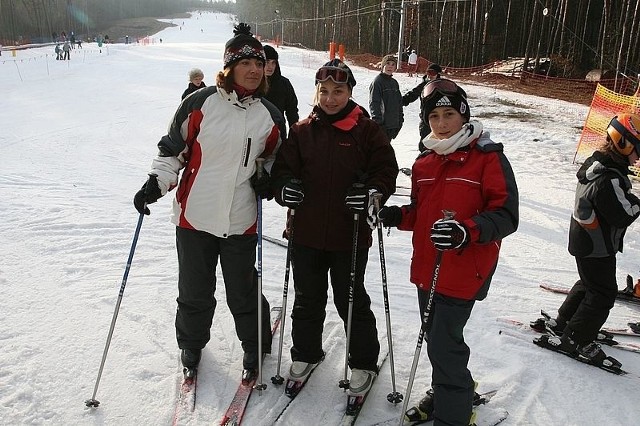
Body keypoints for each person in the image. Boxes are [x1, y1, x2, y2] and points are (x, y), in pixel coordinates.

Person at [133, 23, 285, 382]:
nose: (252, 70)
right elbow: (174, 150)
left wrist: (271, 177)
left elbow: (278, 158)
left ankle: (255, 343)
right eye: (244, 62)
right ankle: (191, 343)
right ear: (229, 67)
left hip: (240, 219)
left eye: (258, 63)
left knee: (243, 290)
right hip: (194, 217)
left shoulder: (270, 115)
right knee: (194, 290)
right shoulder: (199, 103)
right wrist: (156, 184)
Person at [377, 78, 519, 425]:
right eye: (434, 116)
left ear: (464, 115)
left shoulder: (487, 158)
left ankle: (454, 415)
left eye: (449, 114)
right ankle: (450, 390)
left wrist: (465, 232)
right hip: (427, 268)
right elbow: (422, 213)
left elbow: (506, 215)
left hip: (463, 271)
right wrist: (398, 215)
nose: (441, 123)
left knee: (444, 344)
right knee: (439, 340)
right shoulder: (425, 162)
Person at [270, 59, 398, 396]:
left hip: (350, 235)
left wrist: (372, 193)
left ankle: (364, 362)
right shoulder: (301, 131)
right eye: (324, 91)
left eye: (338, 91)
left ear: (349, 92)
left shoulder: (367, 131)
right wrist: (285, 189)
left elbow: (386, 171)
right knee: (307, 299)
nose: (329, 98)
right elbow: (281, 171)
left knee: (351, 299)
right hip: (306, 234)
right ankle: (306, 353)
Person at [533, 113, 640, 367]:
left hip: (586, 241)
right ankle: (577, 338)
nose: (639, 157)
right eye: (638, 149)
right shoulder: (609, 178)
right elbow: (623, 214)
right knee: (603, 293)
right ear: (623, 144)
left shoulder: (599, 165)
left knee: (589, 284)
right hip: (596, 244)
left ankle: (564, 322)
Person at [402, 63, 443, 151]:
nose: (430, 76)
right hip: (425, 118)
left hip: (438, 118)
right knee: (425, 141)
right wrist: (401, 101)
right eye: (428, 73)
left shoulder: (442, 86)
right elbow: (413, 93)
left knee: (438, 142)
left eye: (433, 73)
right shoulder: (424, 85)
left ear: (437, 74)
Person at [263, 45, 299, 130]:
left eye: (273, 62)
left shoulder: (284, 84)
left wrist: (294, 135)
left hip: (278, 132)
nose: (270, 66)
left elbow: (292, 111)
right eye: (267, 62)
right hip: (255, 135)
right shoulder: (252, 84)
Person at [369, 54, 404, 141]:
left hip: (393, 125)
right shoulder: (378, 82)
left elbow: (399, 103)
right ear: (383, 65)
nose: (390, 66)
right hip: (383, 126)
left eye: (393, 64)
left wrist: (400, 120)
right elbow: (374, 103)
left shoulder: (394, 83)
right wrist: (378, 124)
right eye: (388, 63)